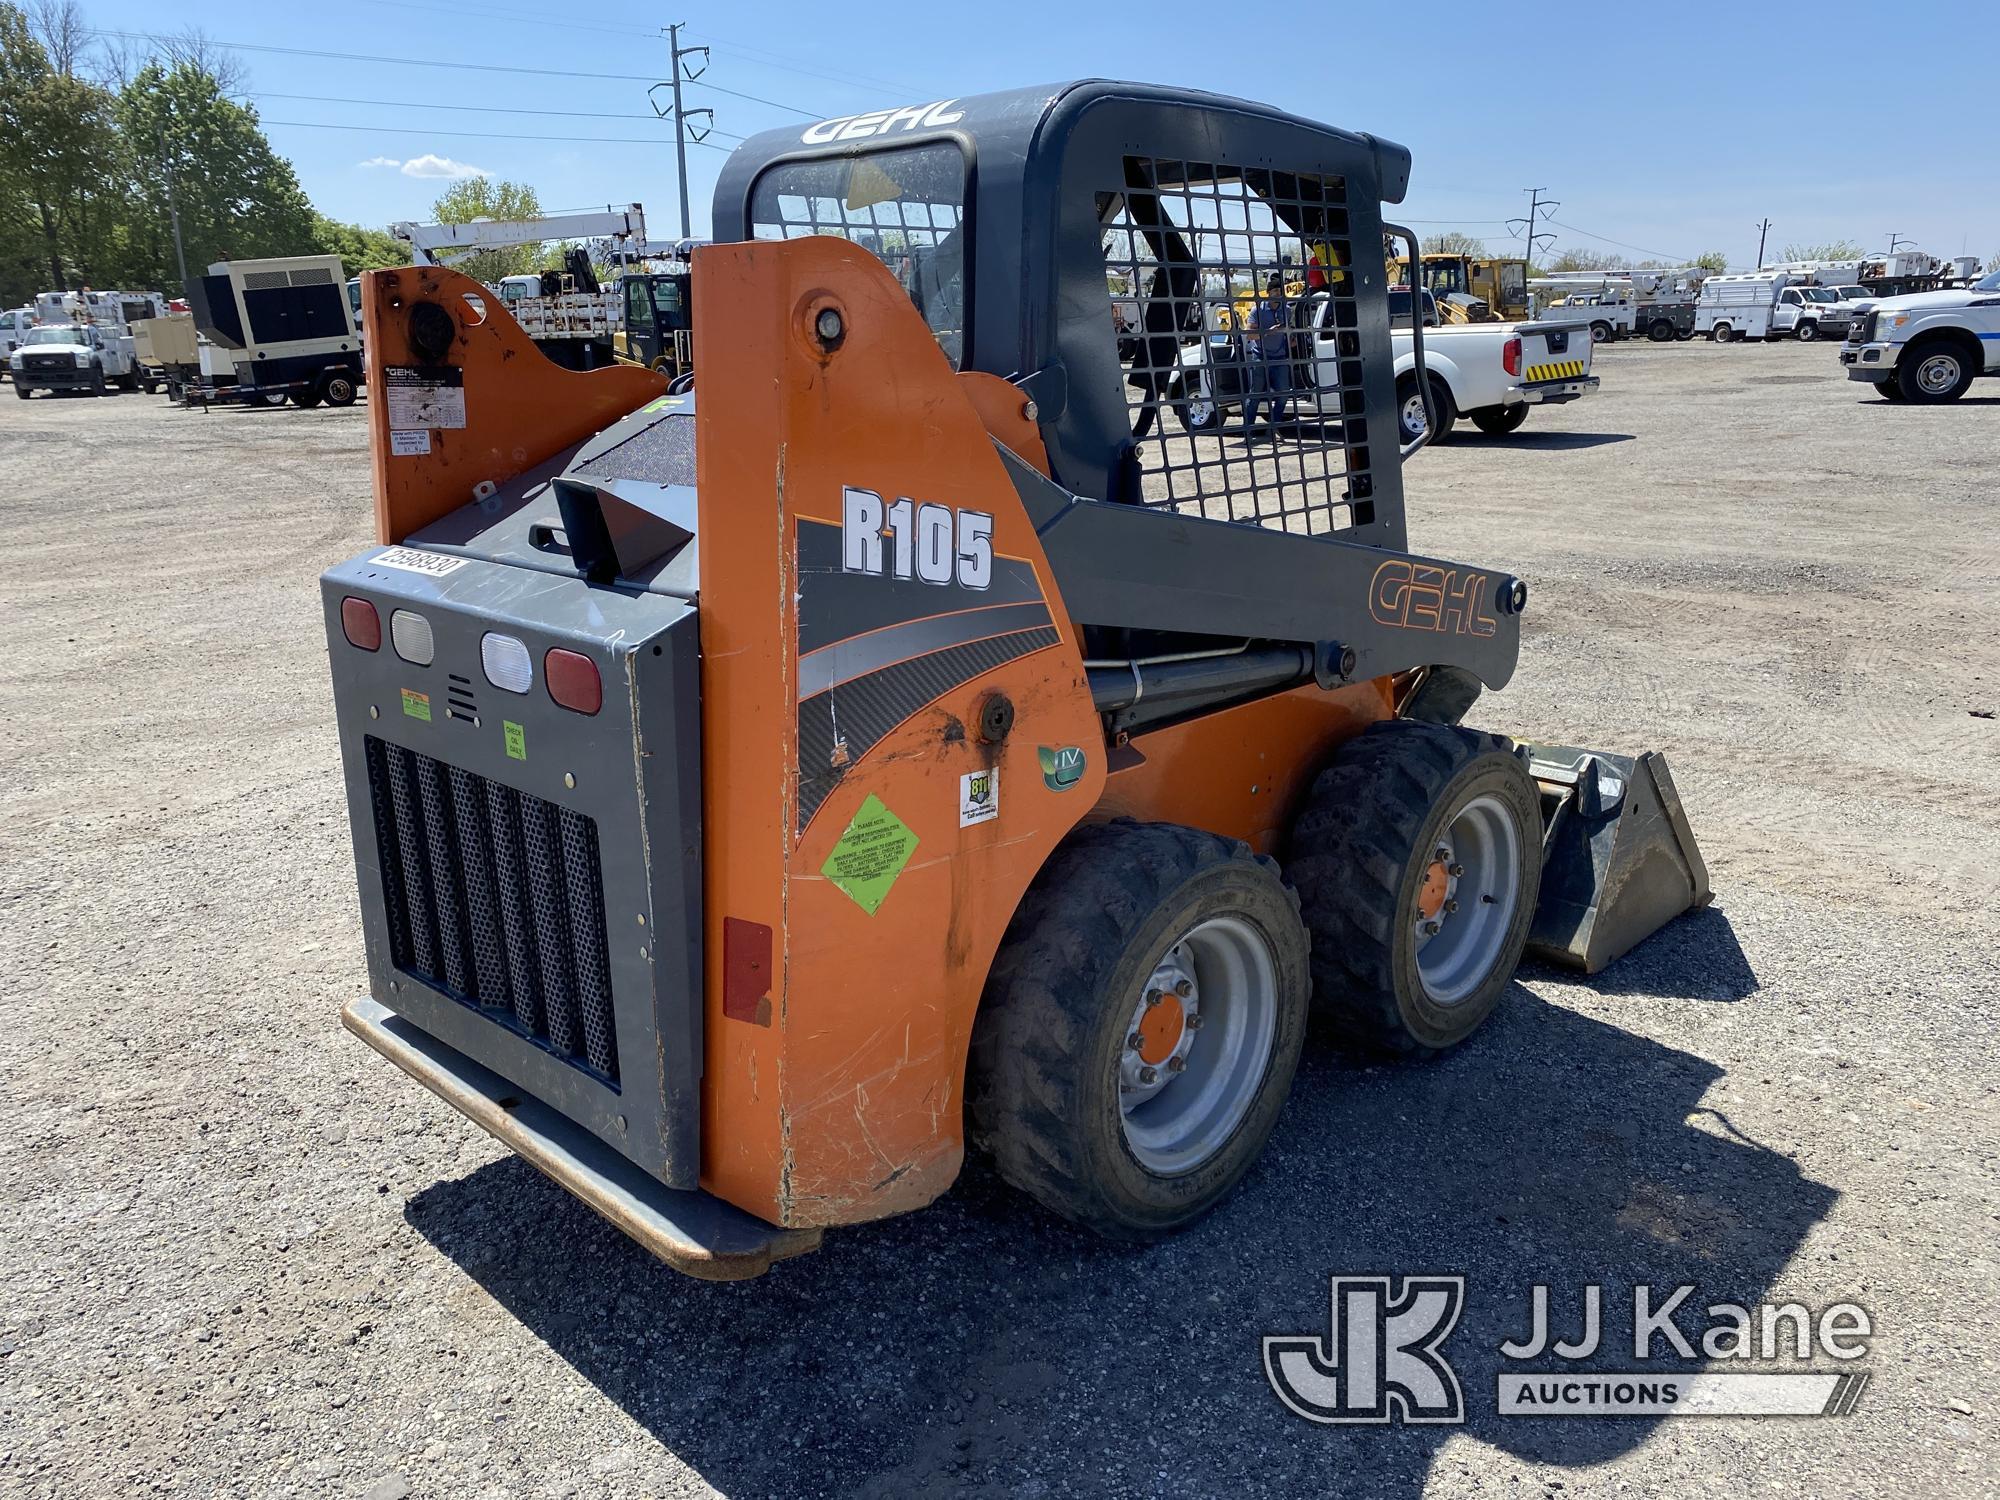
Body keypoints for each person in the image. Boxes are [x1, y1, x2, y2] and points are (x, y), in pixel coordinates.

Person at [1241, 273, 1293, 438]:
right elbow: (1250, 335)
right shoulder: (1257, 310)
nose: (1278, 293)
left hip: (1280, 357)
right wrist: (1268, 332)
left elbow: (1289, 332)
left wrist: (1291, 339)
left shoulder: (1287, 310)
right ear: (1268, 293)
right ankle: (1248, 430)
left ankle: (1274, 428)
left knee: (1284, 394)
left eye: (1280, 290)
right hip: (1260, 357)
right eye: (1275, 291)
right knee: (1255, 395)